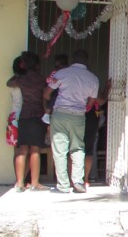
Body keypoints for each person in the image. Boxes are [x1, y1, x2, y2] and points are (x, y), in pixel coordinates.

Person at [43, 49, 100, 194]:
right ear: (86, 61)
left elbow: (46, 93)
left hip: (60, 114)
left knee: (60, 150)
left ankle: (62, 185)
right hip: (79, 115)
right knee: (78, 148)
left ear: (73, 59)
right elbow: (91, 102)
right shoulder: (93, 78)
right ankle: (78, 182)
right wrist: (81, 107)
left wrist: (53, 104)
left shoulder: (61, 74)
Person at [6, 51, 48, 192]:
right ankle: (35, 183)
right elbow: (46, 96)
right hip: (38, 116)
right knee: (35, 150)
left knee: (22, 150)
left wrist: (19, 74)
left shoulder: (21, 80)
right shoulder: (42, 79)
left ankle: (19, 183)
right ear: (37, 65)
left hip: (24, 115)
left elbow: (9, 83)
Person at [42, 54, 69, 125]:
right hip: (55, 90)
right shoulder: (55, 73)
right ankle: (47, 113)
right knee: (54, 98)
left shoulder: (68, 73)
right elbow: (48, 80)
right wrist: (53, 80)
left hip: (63, 92)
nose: (59, 68)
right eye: (57, 66)